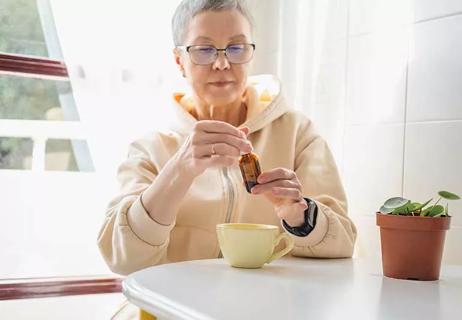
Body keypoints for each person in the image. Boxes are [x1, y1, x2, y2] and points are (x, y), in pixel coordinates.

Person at [97, 0, 357, 275]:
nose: (222, 63)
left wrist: (299, 216)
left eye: (236, 48)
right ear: (179, 61)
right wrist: (178, 171)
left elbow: (343, 244)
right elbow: (123, 259)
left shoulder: (297, 133)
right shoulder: (150, 148)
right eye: (204, 50)